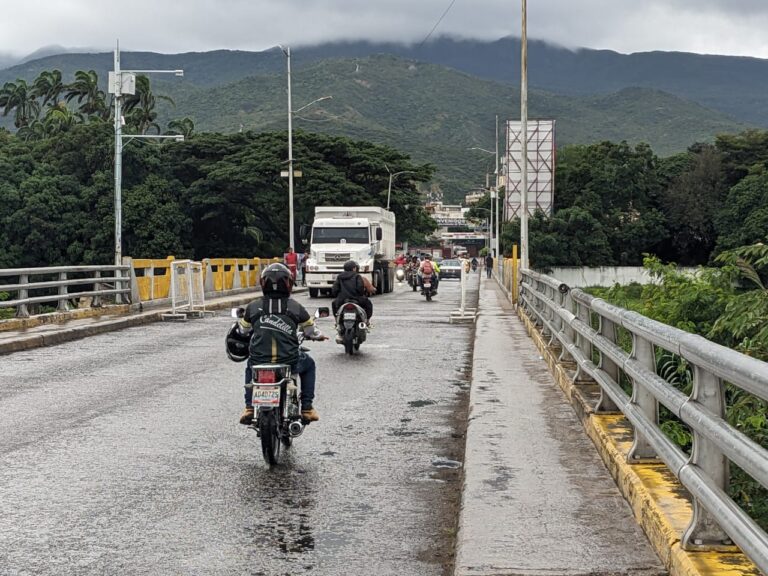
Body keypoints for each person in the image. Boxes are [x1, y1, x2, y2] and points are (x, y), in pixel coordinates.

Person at [236, 263, 326, 425]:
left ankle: (249, 407)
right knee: (309, 364)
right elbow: (310, 331)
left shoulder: (253, 307)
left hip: (260, 359)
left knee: (250, 365)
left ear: (263, 283)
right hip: (289, 359)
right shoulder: (295, 307)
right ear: (288, 283)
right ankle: (307, 408)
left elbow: (243, 330)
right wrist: (319, 336)